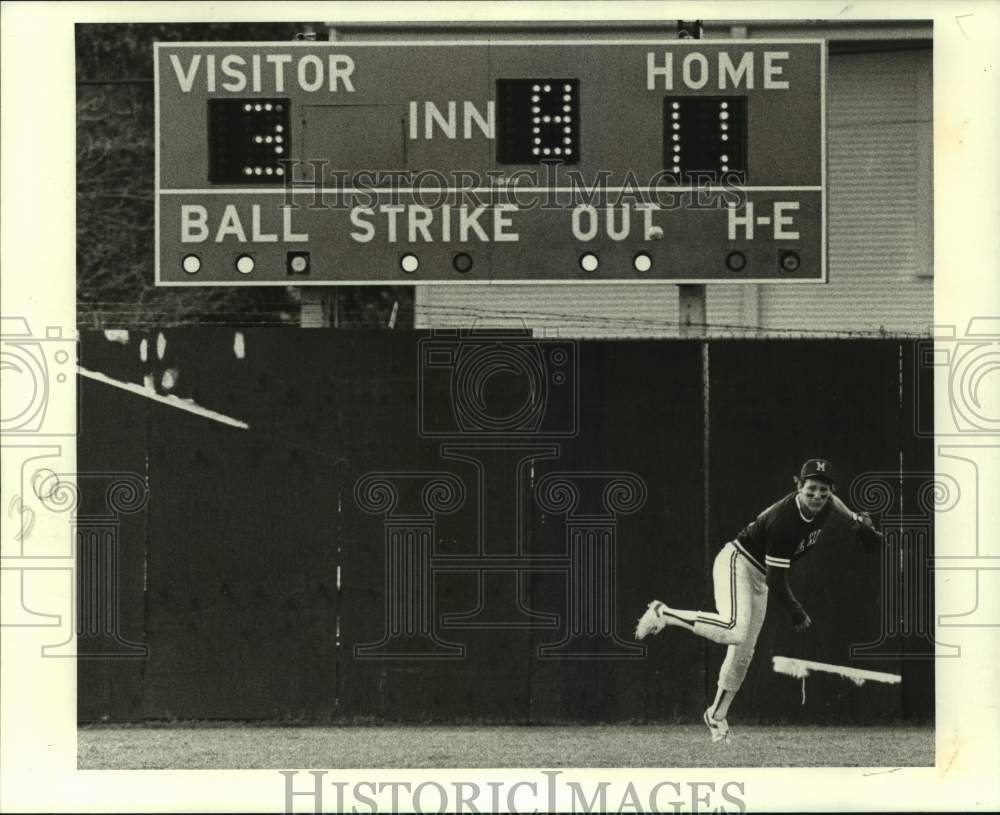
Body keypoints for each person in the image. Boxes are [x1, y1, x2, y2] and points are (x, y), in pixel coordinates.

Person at [634, 458, 883, 743]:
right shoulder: (784, 520)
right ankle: (664, 613)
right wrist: (797, 611)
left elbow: (834, 501)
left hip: (760, 576)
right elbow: (777, 581)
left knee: (744, 653)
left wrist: (853, 520)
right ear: (798, 486)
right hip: (738, 562)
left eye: (823, 490)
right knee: (733, 629)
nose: (818, 495)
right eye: (811, 488)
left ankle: (716, 716)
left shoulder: (826, 502)